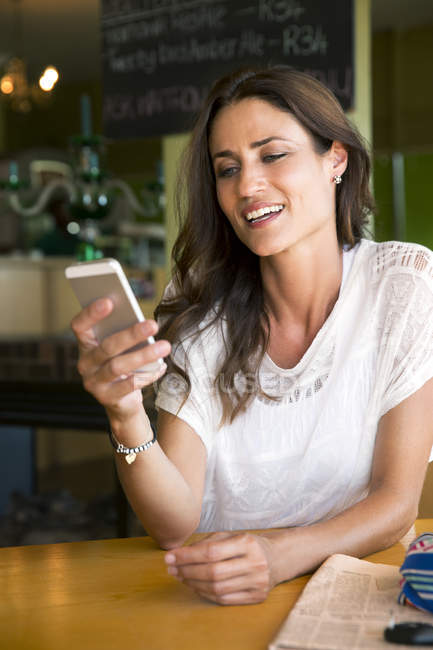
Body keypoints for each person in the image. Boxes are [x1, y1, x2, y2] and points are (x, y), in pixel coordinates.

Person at [71, 66, 433, 606]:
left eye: (273, 155)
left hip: (355, 598)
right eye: (227, 168)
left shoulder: (402, 285)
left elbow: (395, 503)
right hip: (217, 598)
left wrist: (280, 557)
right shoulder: (201, 307)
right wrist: (125, 412)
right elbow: (173, 525)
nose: (247, 186)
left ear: (335, 159)